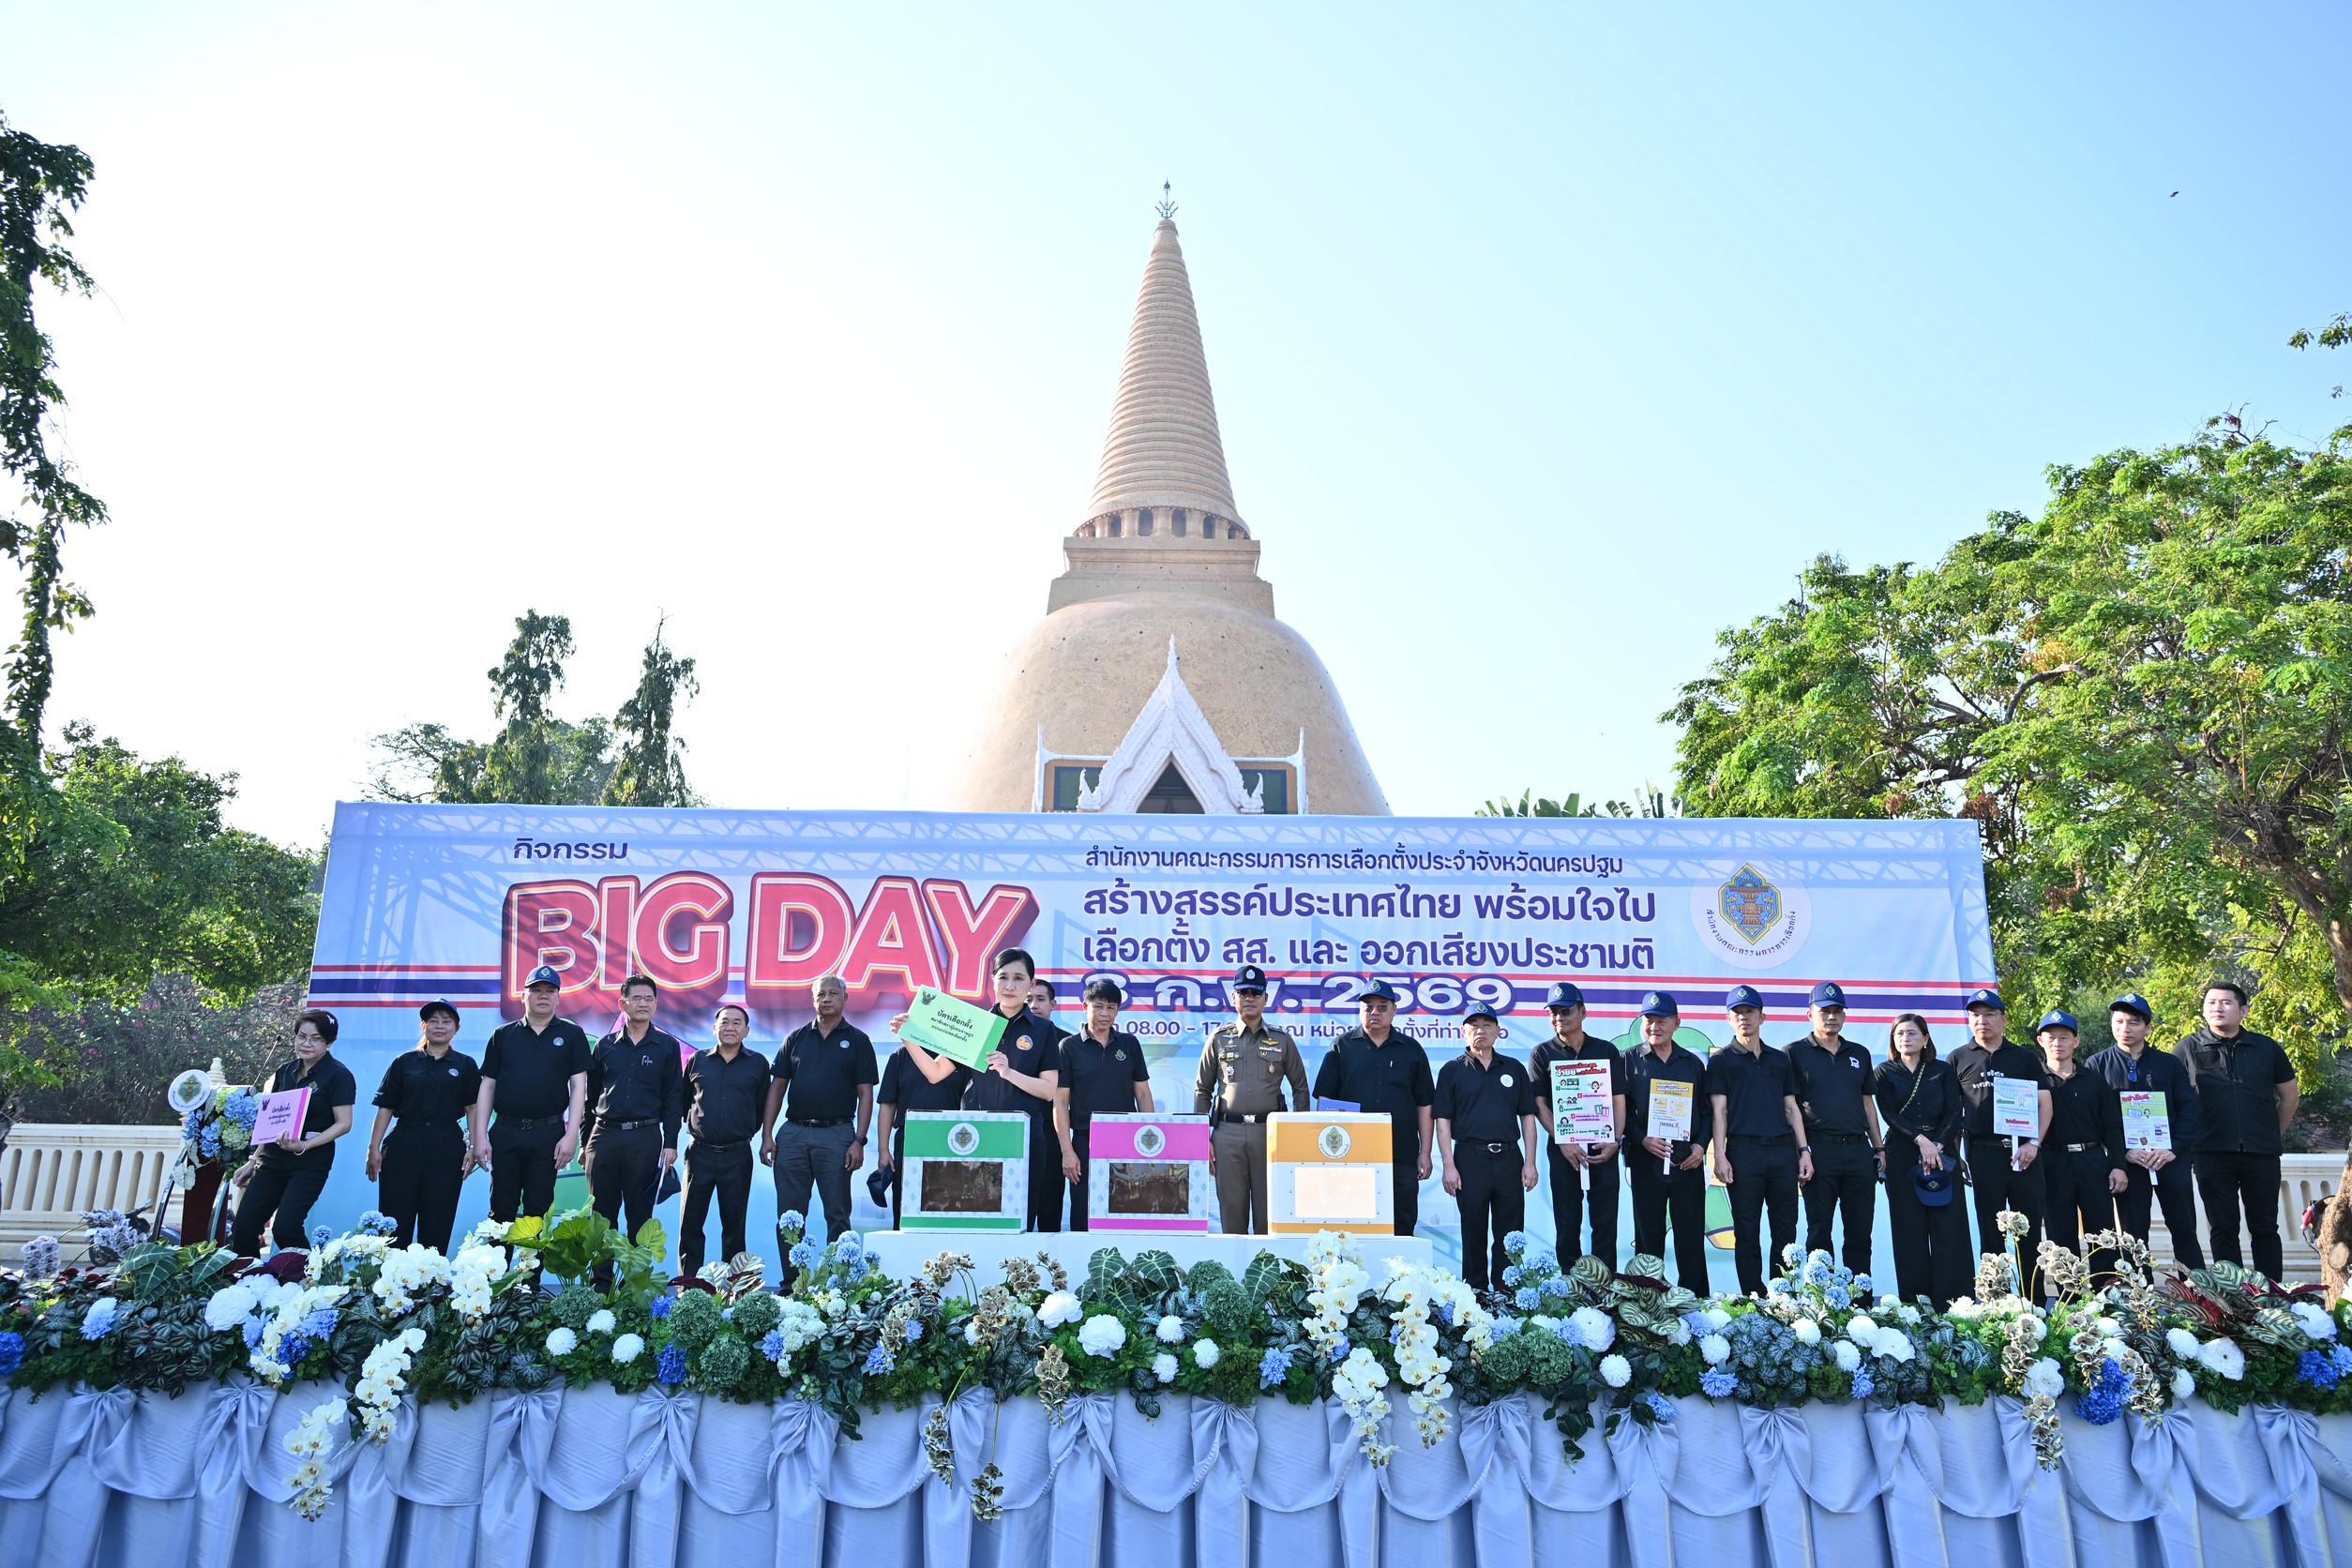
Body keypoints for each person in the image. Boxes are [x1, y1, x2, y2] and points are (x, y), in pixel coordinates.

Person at [913, 948, 1062, 1231]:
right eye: (1003, 977)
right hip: (976, 1137)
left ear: (1031, 984)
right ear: (992, 980)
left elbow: (1048, 1090)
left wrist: (1008, 1072)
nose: (1010, 986)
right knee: (975, 1219)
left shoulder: (1043, 1030)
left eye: (1019, 978)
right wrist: (909, 1038)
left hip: (1024, 1139)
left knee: (1021, 1223)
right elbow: (935, 1073)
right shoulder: (976, 1025)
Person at [2180, 980, 2300, 1279]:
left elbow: (2289, 1097)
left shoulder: (2266, 1048)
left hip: (2261, 1154)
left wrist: (2270, 1135)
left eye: (2226, 1002)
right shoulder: (2187, 1048)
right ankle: (2232, 1297)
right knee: (2223, 1227)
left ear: (2243, 1010)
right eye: (2211, 1003)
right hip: (2210, 1153)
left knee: (2265, 1227)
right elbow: (2175, 1102)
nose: (2217, 1008)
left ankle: (2270, 1294)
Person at [762, 973, 878, 1260]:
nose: (826, 999)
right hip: (793, 1134)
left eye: (833, 994)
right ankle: (792, 1281)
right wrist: (767, 1135)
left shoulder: (858, 1041)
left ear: (845, 998)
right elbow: (777, 1088)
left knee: (837, 1214)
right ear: (813, 1000)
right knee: (789, 1216)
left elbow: (865, 1094)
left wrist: (859, 1140)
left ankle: (837, 1282)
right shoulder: (796, 1038)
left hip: (837, 1135)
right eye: (820, 995)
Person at [2088, 992, 2203, 1270]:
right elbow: (2093, 1117)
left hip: (2169, 1158)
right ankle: (2140, 1290)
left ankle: (2194, 1288)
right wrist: (2123, 1153)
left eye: (2133, 1022)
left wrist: (2173, 1149)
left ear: (2148, 1027)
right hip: (2129, 1162)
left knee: (2184, 1227)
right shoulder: (2096, 1065)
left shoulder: (2169, 1064)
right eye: (2119, 1022)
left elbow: (2190, 1109)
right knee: (2133, 1233)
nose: (2125, 1029)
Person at [1706, 985, 1808, 1296]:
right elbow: (1719, 1111)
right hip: (1743, 1151)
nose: (1743, 1017)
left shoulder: (1780, 1060)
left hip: (1782, 1152)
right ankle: (1753, 1295)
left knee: (1785, 1228)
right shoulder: (1721, 1061)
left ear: (1762, 1017)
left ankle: (1782, 1294)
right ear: (1728, 1019)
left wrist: (1804, 1151)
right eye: (1737, 1013)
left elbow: (1792, 1109)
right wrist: (1720, 1156)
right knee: (1747, 1229)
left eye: (1749, 1011)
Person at [581, 974, 684, 1284]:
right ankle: (601, 1286)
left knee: (640, 1215)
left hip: (645, 1136)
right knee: (602, 1216)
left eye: (649, 998)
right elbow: (590, 1098)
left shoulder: (666, 1046)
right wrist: (586, 1143)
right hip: (604, 1135)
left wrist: (671, 1142)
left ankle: (633, 1288)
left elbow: (673, 1098)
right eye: (636, 998)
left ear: (656, 1004)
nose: (643, 1003)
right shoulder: (605, 1046)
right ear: (622, 1003)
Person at [1311, 980, 1435, 1236]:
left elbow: (1424, 1104)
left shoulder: (1411, 1050)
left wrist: (1425, 1152)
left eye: (1382, 1006)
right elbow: (1325, 1102)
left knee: (1402, 1227)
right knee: (1352, 1229)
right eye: (1368, 1006)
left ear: (1394, 1010)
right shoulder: (1341, 1047)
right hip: (1351, 1156)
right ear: (1360, 1010)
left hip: (1401, 1155)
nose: (1375, 1012)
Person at [1948, 988, 2053, 1289]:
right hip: (1982, 1154)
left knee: (2027, 1231)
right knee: (1990, 1232)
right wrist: (1956, 1155)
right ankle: (1995, 1303)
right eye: (1975, 1015)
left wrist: (2034, 1144)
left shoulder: (2024, 1057)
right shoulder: (1958, 1058)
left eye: (1990, 1014)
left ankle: (2033, 1303)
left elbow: (2045, 1105)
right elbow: (1953, 1113)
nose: (1982, 1021)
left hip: (2024, 1154)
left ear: (2004, 1020)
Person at [231, 1008, 358, 1255]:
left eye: (316, 1039)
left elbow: (344, 1123)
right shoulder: (284, 1071)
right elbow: (270, 1121)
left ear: (329, 1042)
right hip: (271, 1160)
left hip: (309, 1163)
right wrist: (253, 1161)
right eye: (301, 1036)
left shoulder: (339, 1075)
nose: (306, 1044)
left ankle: (306, 1275)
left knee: (286, 1228)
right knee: (244, 1226)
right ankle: (250, 1276)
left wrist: (304, 1145)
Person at [473, 965, 594, 1224]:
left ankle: (533, 1254)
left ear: (558, 997)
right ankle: (498, 1253)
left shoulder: (572, 1035)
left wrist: (571, 1136)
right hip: (506, 1132)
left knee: (538, 1210)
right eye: (536, 990)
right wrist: (480, 1136)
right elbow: (488, 1086)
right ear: (523, 996)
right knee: (501, 1210)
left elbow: (578, 1087)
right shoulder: (502, 1035)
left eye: (550, 991)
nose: (543, 995)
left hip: (548, 1134)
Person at [1194, 964, 1309, 1234]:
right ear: (1233, 997)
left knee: (1268, 1216)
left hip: (1269, 1136)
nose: (1249, 998)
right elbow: (1202, 1090)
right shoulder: (1219, 1039)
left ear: (1265, 998)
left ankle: (1266, 1263)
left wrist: (1298, 1136)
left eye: (1256, 993)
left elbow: (1301, 1089)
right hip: (1227, 1135)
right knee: (1231, 1215)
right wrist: (1201, 1138)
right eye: (1243, 993)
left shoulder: (1282, 1040)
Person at [1434, 1001, 1540, 1290]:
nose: (1480, 1030)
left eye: (1487, 1025)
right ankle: (1476, 1295)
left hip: (1509, 1159)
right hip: (1469, 1159)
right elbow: (1442, 1121)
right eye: (1474, 1026)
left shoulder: (1514, 1068)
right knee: (1473, 1232)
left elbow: (1528, 1117)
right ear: (1464, 1032)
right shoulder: (1452, 1070)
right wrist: (1448, 1166)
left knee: (1510, 1234)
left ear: (1498, 1031)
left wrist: (1530, 1162)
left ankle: (1508, 1294)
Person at [1787, 982, 1883, 1290]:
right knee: (1819, 1232)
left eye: (1837, 1011)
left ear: (1844, 1015)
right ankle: (1823, 1301)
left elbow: (1867, 1103)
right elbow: (1790, 1108)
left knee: (1860, 1233)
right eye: (1824, 1011)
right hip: (1819, 1151)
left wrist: (1879, 1147)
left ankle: (1860, 1300)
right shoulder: (1794, 1053)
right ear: (1810, 1015)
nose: (1831, 1017)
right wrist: (1802, 1150)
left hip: (1858, 1151)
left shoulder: (1859, 1053)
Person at [364, 999, 480, 1253]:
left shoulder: (465, 1065)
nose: (440, 1026)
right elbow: (386, 1107)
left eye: (446, 1022)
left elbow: (473, 1108)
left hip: (446, 1144)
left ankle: (432, 1276)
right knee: (394, 1221)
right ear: (424, 1026)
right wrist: (373, 1148)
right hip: (404, 1142)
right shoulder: (404, 1063)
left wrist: (473, 1146)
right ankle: (392, 1275)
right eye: (433, 1021)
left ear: (457, 1028)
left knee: (437, 1220)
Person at [1874, 1014, 1970, 1308]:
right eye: (1899, 1033)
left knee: (1949, 1226)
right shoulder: (1884, 1071)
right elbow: (1889, 1113)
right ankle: (1915, 1304)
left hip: (1942, 1150)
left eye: (1912, 1033)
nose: (1905, 1038)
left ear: (1926, 1039)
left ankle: (1954, 1303)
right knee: (1909, 1227)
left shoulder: (1942, 1070)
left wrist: (1937, 1145)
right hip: (1903, 1151)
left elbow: (1955, 1111)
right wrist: (1921, 1141)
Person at [1621, 992, 1712, 1293]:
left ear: (1677, 1023)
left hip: (1686, 1161)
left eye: (1662, 1020)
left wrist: (1700, 1146)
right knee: (1648, 1237)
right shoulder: (1628, 1060)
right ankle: (1647, 1299)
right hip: (1645, 1158)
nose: (1654, 1026)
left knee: (1690, 1235)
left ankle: (1696, 1302)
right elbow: (1621, 1111)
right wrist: (1642, 1138)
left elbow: (1706, 1112)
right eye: (1649, 1020)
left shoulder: (1692, 1064)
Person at [1530, 982, 1625, 1266]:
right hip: (1564, 1150)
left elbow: (1619, 1100)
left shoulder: (1606, 1050)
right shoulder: (1542, 1053)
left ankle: (1605, 1283)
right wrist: (1564, 1140)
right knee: (1567, 1223)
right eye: (1554, 1012)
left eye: (1566, 1011)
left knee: (1605, 1222)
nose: (1559, 1017)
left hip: (1602, 1146)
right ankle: (1570, 1284)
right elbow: (1539, 1104)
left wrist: (1615, 1140)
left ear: (1583, 1012)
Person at [677, 1003, 771, 1278]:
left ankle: (733, 1290)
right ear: (714, 1028)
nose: (730, 1027)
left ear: (747, 1030)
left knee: (734, 1227)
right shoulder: (697, 1060)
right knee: (690, 1224)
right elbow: (683, 1101)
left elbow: (762, 1107)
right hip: (699, 1154)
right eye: (725, 1022)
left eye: (737, 1023)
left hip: (737, 1155)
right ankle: (689, 1288)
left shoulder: (758, 1064)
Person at [1056, 978, 1154, 1229]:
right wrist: (1068, 1152)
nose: (1104, 1013)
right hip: (1085, 1141)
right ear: (1085, 1007)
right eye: (1098, 1006)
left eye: (1111, 1008)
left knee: (1127, 1207)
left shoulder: (1129, 1044)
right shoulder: (1068, 1047)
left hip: (1127, 1140)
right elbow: (1061, 1102)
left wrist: (1149, 1143)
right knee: (1083, 1211)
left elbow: (1143, 1094)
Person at [2034, 1010, 2126, 1274]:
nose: (2057, 1043)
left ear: (2076, 1041)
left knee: (2103, 1233)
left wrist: (2118, 1165)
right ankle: (2069, 1295)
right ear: (2041, 1041)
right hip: (2052, 1161)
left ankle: (2107, 1290)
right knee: (2059, 1234)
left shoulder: (2094, 1079)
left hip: (2092, 1160)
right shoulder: (2033, 1081)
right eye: (2051, 1037)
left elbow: (2112, 1125)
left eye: (2064, 1037)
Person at [875, 1028, 972, 1227]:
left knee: (947, 1207)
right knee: (905, 1207)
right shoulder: (901, 1056)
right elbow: (888, 1104)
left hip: (950, 1142)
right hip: (909, 1140)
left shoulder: (958, 1055)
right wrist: (883, 1149)